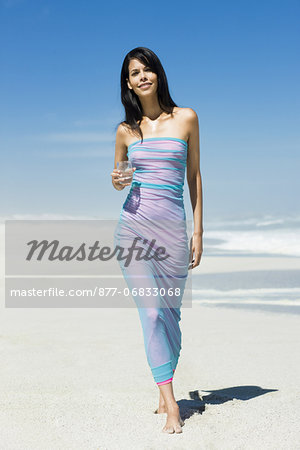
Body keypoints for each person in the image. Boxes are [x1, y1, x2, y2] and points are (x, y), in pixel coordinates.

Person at [111, 47, 203, 434]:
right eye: (134, 72)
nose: (142, 76)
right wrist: (116, 180)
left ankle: (163, 382)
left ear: (158, 74)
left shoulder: (186, 119)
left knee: (170, 317)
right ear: (128, 83)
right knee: (150, 314)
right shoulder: (126, 131)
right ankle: (170, 404)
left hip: (173, 234)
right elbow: (118, 176)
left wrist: (198, 231)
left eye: (147, 69)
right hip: (132, 230)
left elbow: (194, 176)